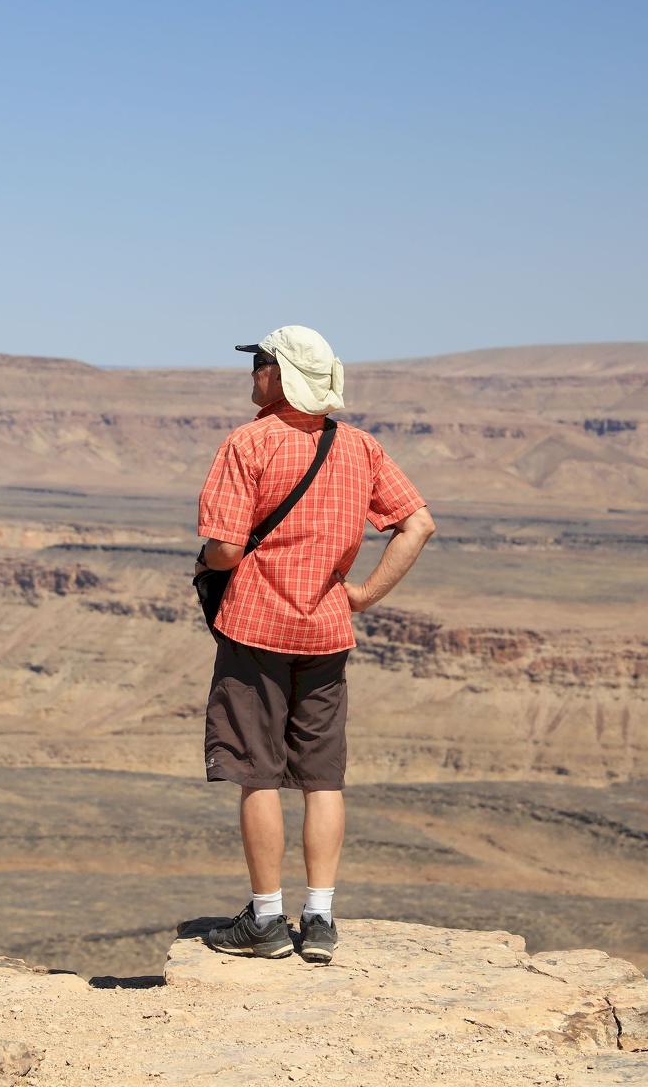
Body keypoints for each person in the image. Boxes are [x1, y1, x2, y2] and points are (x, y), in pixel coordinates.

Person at [194, 325, 434, 963]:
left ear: (280, 374)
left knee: (257, 773)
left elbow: (226, 548)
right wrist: (364, 595)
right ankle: (320, 919)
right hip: (327, 632)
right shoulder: (358, 446)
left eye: (259, 362)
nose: (252, 372)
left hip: (255, 629)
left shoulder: (248, 443)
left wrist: (211, 562)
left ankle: (266, 920)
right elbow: (417, 524)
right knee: (322, 777)